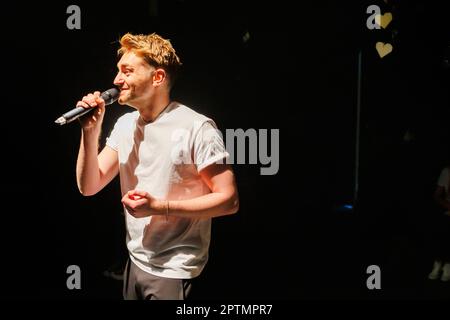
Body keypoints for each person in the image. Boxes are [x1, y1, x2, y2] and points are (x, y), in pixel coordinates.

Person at [75, 33, 239, 299]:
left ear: (158, 78)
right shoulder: (125, 124)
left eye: (127, 72)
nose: (117, 80)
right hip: (136, 260)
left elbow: (229, 200)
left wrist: (159, 207)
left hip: (175, 269)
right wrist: (90, 132)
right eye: (118, 71)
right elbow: (89, 186)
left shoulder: (196, 127)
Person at [427, 163, 450, 282]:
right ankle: (438, 263)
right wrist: (448, 206)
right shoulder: (447, 171)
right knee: (443, 229)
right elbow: (437, 195)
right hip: (448, 212)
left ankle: (447, 265)